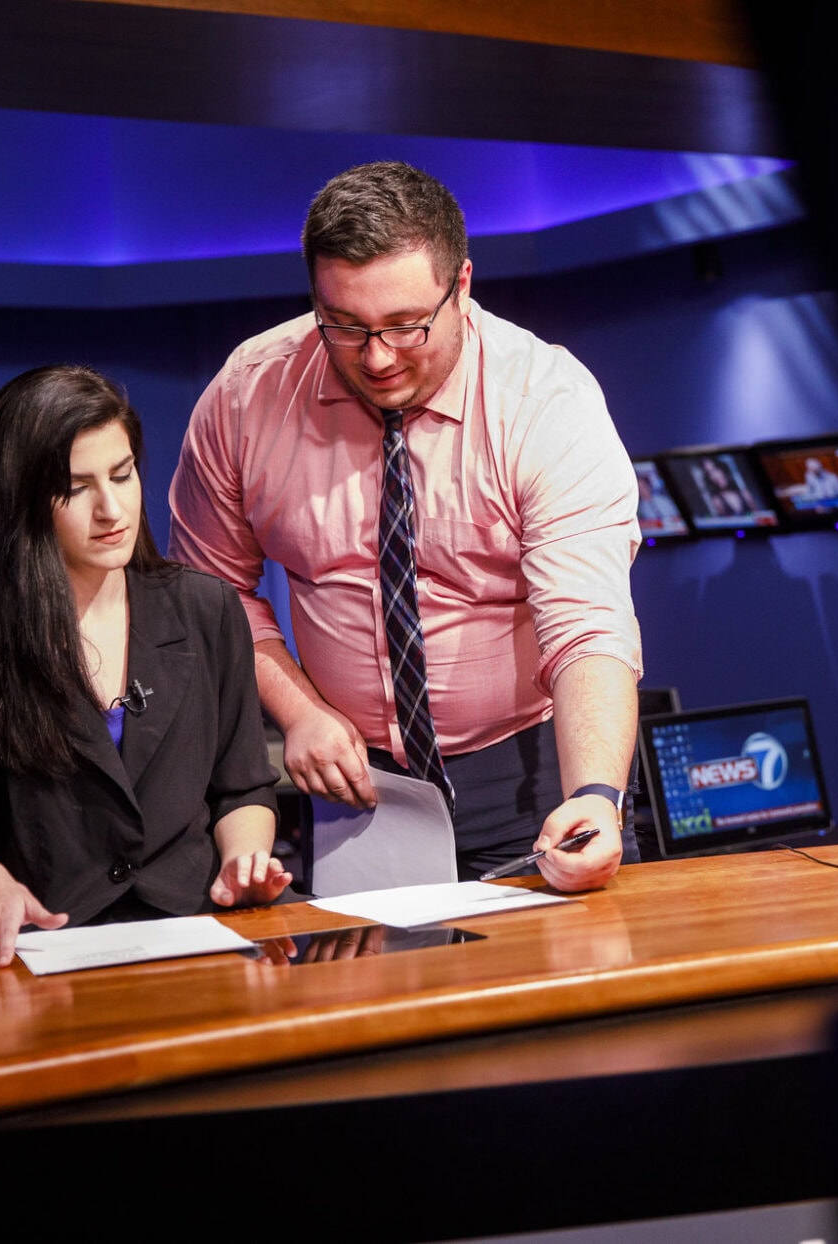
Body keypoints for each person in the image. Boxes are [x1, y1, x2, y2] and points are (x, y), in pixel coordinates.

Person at [169, 161, 641, 890]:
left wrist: (596, 796)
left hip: (532, 772)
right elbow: (211, 594)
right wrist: (300, 713)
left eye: (404, 326)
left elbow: (587, 626)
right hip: (359, 787)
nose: (378, 358)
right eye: (346, 327)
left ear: (462, 286)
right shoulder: (245, 397)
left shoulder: (545, 400)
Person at [0, 365, 293, 972]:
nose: (112, 508)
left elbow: (242, 788)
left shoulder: (207, 609)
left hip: (196, 928)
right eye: (76, 488)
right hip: (44, 940)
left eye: (123, 474)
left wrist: (246, 860)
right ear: (18, 498)